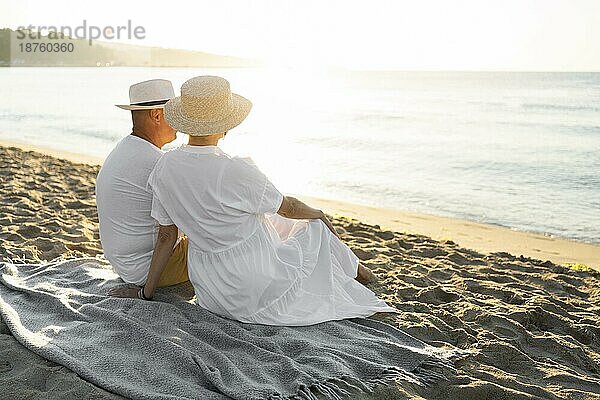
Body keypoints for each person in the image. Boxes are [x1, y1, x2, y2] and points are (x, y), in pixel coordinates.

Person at [114, 75, 398, 326]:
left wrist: (145, 292)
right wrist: (320, 213)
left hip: (212, 292)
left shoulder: (164, 168)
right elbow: (289, 207)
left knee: (269, 218)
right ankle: (359, 273)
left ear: (185, 123)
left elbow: (166, 236)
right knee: (314, 226)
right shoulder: (236, 169)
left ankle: (358, 270)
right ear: (224, 126)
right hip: (254, 284)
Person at [97, 79, 189, 291]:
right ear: (157, 115)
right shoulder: (157, 162)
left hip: (125, 266)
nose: (179, 123)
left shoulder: (124, 149)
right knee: (224, 240)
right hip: (153, 269)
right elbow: (171, 233)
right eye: (173, 115)